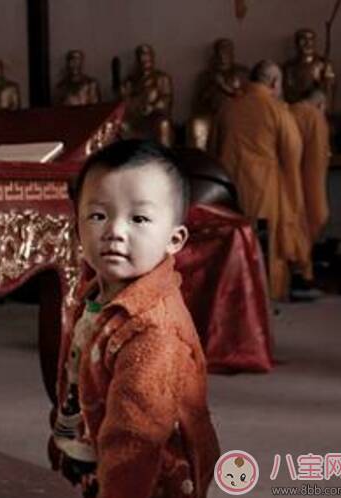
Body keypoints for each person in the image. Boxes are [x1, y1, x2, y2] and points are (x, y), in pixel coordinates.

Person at [51, 140, 220, 498]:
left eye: (139, 218)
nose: (115, 230)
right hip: (94, 451)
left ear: (174, 239)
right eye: (98, 215)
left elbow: (135, 441)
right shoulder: (97, 290)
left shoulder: (153, 332)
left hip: (148, 479)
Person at [210, 60, 312, 300]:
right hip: (265, 187)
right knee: (267, 243)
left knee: (233, 242)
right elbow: (293, 151)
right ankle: (267, 293)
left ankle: (233, 295)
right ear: (274, 82)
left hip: (228, 188)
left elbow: (212, 148)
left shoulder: (227, 107)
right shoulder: (276, 108)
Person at [188, 38, 248, 150]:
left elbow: (246, 98)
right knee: (196, 123)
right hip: (212, 113)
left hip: (235, 113)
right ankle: (198, 161)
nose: (222, 56)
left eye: (226, 51)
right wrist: (211, 87)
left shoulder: (242, 73)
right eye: (219, 52)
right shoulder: (206, 75)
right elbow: (198, 102)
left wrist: (223, 86)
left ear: (232, 53)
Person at [290, 89, 331, 247]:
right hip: (307, 181)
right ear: (321, 104)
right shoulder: (315, 117)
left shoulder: (286, 111)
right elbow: (317, 160)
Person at [117, 44, 174, 146]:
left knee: (163, 124)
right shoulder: (130, 81)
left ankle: (165, 158)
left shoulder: (162, 78)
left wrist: (153, 107)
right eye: (141, 55)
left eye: (146, 55)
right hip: (135, 118)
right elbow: (124, 102)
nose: (144, 58)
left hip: (154, 117)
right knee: (120, 126)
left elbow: (167, 99)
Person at [283, 28, 336, 109]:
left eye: (311, 39)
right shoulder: (289, 67)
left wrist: (326, 83)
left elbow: (329, 94)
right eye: (303, 39)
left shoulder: (323, 64)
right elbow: (287, 93)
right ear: (296, 43)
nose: (308, 43)